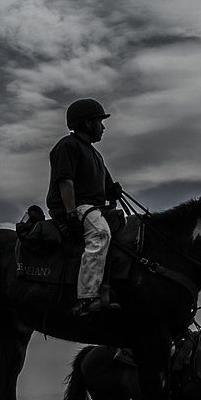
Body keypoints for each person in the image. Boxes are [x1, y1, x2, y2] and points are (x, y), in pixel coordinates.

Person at [47, 98, 122, 316]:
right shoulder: (67, 146)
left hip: (91, 207)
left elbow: (105, 187)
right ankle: (87, 298)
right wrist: (71, 213)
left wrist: (113, 190)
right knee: (100, 234)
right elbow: (65, 182)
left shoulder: (95, 154)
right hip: (77, 207)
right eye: (100, 121)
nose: (103, 127)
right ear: (88, 123)